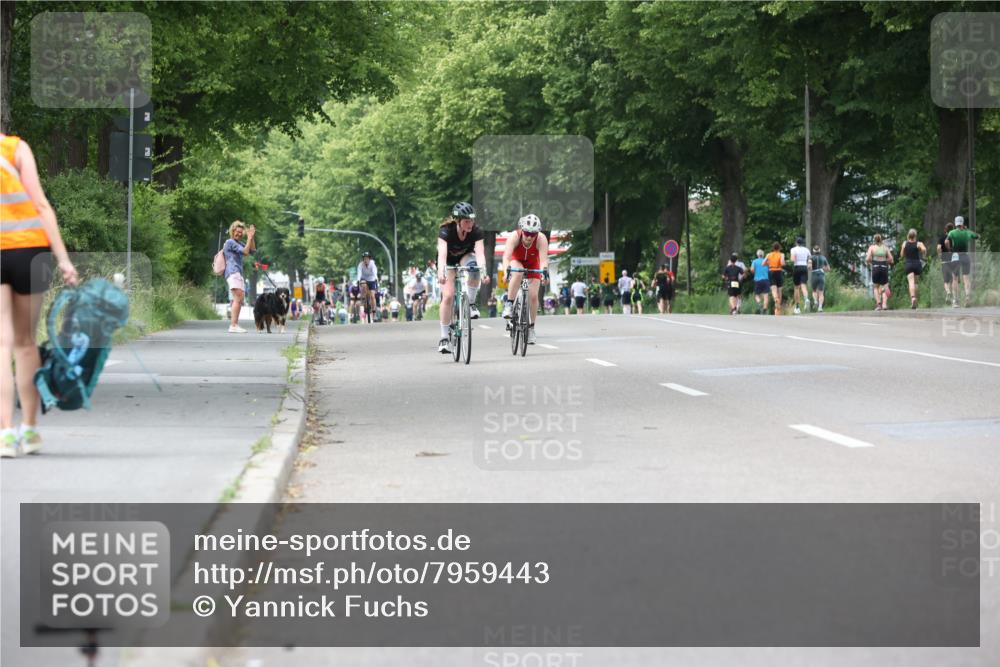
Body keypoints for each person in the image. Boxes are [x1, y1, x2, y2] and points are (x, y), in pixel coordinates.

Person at [1, 132, 79, 458]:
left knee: (2, 343)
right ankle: (29, 430)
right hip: (30, 252)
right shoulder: (16, 148)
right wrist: (63, 259)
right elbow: (42, 205)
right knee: (25, 342)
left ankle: (5, 434)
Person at [437, 202, 490, 353]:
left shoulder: (476, 231)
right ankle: (444, 338)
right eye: (467, 221)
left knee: (474, 269)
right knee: (447, 296)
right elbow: (442, 255)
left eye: (472, 220)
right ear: (457, 221)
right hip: (448, 261)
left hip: (465, 257)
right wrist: (441, 272)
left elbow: (480, 254)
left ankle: (471, 304)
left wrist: (484, 272)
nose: (470, 224)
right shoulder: (446, 231)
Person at [501, 213, 549, 345]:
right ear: (522, 230)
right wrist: (506, 272)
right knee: (518, 272)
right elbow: (506, 257)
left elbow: (544, 260)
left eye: (533, 234)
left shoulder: (541, 239)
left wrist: (545, 273)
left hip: (533, 263)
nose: (529, 237)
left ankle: (531, 328)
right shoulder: (514, 236)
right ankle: (509, 305)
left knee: (533, 296)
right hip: (517, 260)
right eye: (527, 233)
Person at [223, 220, 255, 332]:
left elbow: (252, 251)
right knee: (238, 297)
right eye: (237, 232)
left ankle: (234, 324)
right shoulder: (230, 242)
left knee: (240, 298)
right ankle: (233, 325)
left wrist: (252, 236)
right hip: (233, 272)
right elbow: (246, 252)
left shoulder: (239, 243)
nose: (239, 234)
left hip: (238, 272)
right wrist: (249, 238)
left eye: (241, 232)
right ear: (232, 231)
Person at [947, 216, 979, 307]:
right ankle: (967, 297)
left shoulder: (952, 232)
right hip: (965, 256)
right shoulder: (967, 232)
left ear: (956, 223)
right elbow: (977, 236)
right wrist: (967, 229)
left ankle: (955, 301)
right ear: (962, 223)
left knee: (955, 279)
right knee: (966, 278)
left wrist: (950, 249)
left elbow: (946, 242)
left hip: (955, 256)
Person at [900, 229, 927, 310]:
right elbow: (924, 249)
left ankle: (913, 298)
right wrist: (924, 255)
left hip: (908, 264)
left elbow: (901, 255)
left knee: (911, 282)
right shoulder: (919, 243)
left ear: (908, 235)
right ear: (915, 235)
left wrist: (905, 251)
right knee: (916, 283)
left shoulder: (905, 243)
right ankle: (916, 300)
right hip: (917, 264)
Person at [865, 233, 893, 311]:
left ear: (874, 240)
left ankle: (879, 305)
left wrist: (873, 261)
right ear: (882, 240)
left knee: (876, 287)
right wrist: (884, 261)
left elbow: (867, 259)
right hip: (884, 267)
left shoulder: (872, 248)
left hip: (875, 267)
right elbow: (891, 259)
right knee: (885, 286)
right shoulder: (885, 248)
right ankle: (884, 304)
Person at [938, 222, 958, 307]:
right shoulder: (954, 238)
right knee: (954, 279)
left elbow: (938, 247)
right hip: (954, 260)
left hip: (945, 260)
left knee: (946, 280)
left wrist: (940, 256)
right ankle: (954, 299)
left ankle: (948, 292)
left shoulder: (942, 238)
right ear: (953, 229)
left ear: (945, 230)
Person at [790, 237, 811, 314]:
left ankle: (797, 307)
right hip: (804, 267)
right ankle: (806, 299)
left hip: (797, 267)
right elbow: (809, 258)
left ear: (796, 242)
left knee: (796, 287)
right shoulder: (806, 250)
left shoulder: (793, 249)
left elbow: (792, 259)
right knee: (803, 285)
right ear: (802, 243)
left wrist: (794, 259)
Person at [765, 242, 785, 316]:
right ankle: (777, 309)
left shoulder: (769, 254)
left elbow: (763, 263)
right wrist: (784, 263)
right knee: (779, 289)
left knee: (773, 289)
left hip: (771, 271)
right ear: (779, 248)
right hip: (779, 271)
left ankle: (776, 299)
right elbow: (782, 263)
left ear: (773, 248)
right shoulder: (781, 254)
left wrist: (769, 264)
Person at [749, 249, 770, 314]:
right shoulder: (767, 261)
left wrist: (755, 272)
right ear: (763, 255)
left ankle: (759, 303)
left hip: (757, 280)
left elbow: (752, 270)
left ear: (757, 255)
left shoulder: (754, 261)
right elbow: (770, 269)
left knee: (756, 295)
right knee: (766, 295)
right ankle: (765, 309)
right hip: (766, 280)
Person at [809, 245, 829, 312]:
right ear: (819, 250)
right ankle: (820, 307)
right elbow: (828, 269)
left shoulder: (811, 258)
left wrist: (809, 268)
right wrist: (823, 268)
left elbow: (809, 267)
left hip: (814, 274)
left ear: (813, 251)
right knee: (821, 293)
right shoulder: (823, 258)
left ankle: (815, 300)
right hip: (821, 275)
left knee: (814, 290)